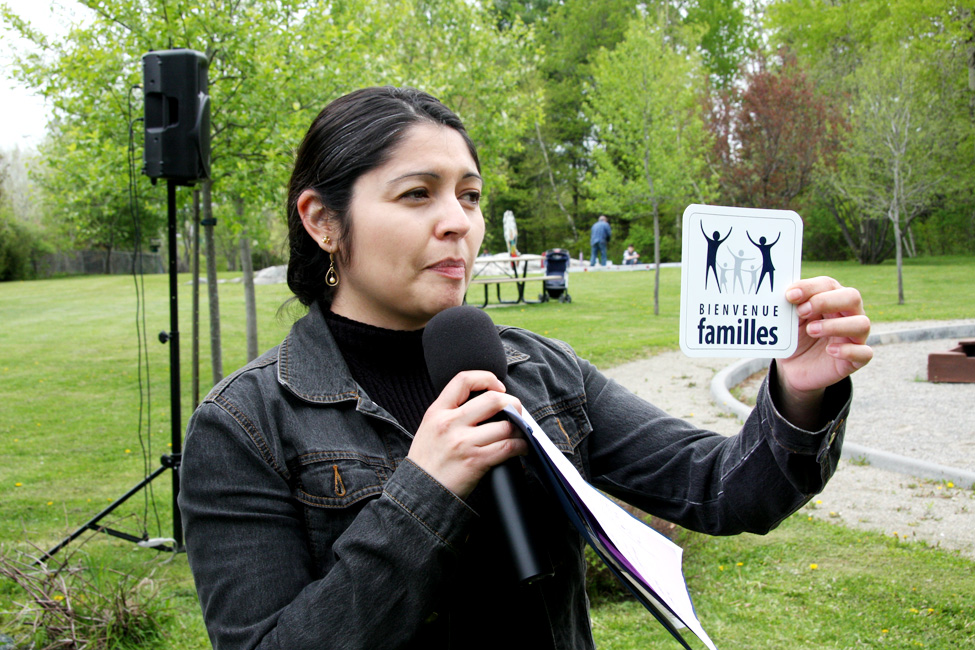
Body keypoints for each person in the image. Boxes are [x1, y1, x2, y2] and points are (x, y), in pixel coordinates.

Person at [179, 86, 873, 650]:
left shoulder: (541, 371)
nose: (458, 222)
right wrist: (426, 491)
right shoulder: (246, 425)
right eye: (417, 193)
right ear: (322, 221)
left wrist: (799, 390)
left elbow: (724, 490)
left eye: (469, 195)